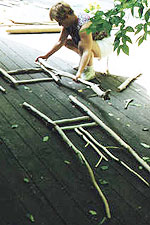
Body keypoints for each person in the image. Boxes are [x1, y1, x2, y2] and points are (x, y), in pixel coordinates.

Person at [35, 1, 114, 81]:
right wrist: (46, 56)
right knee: (67, 42)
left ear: (67, 17)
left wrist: (79, 73)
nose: (59, 25)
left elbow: (86, 50)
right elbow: (60, 42)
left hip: (105, 44)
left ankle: (89, 70)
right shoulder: (69, 24)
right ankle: (84, 64)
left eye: (60, 22)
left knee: (81, 44)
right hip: (93, 42)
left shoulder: (84, 26)